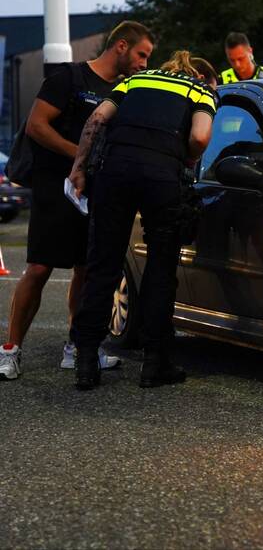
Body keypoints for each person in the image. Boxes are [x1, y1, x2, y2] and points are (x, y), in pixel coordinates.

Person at [0, 21, 154, 381]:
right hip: (56, 187)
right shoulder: (68, 79)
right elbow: (38, 126)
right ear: (120, 46)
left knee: (87, 270)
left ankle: (77, 347)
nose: (144, 63)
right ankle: (10, 350)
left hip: (97, 192)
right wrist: (80, 158)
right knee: (39, 268)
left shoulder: (124, 90)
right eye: (141, 54)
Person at [67, 51, 218, 390]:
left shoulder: (135, 80)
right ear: (204, 77)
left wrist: (78, 167)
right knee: (160, 269)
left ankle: (86, 360)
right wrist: (188, 162)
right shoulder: (200, 90)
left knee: (103, 265)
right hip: (162, 178)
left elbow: (96, 120)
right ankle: (155, 362)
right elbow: (200, 137)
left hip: (114, 173)